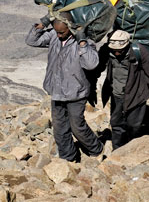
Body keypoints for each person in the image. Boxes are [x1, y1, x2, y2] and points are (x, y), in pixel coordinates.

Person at [26, 12, 103, 162]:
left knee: (77, 126)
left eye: (62, 32)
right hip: (57, 90)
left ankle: (96, 150)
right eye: (57, 31)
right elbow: (31, 40)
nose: (59, 35)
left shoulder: (84, 42)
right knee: (60, 128)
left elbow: (91, 63)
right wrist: (44, 22)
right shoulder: (54, 36)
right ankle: (68, 158)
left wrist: (82, 43)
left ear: (71, 27)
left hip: (76, 91)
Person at [89, 29, 149, 150]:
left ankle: (132, 150)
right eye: (114, 51)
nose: (116, 53)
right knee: (116, 125)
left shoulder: (139, 52)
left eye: (119, 51)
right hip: (116, 95)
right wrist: (90, 88)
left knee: (134, 126)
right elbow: (96, 70)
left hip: (136, 95)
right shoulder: (106, 50)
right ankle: (117, 151)